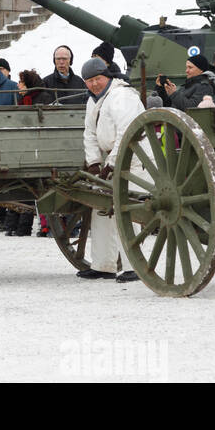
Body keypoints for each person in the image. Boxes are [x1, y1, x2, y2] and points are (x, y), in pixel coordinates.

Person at [77, 58, 142, 283]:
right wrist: (94, 162)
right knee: (101, 208)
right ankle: (103, 265)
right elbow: (89, 133)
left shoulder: (122, 96)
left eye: (98, 79)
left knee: (128, 211)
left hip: (134, 159)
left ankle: (135, 266)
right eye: (89, 81)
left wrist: (112, 162)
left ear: (107, 77)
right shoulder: (93, 101)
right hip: (111, 161)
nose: (94, 84)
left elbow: (128, 131)